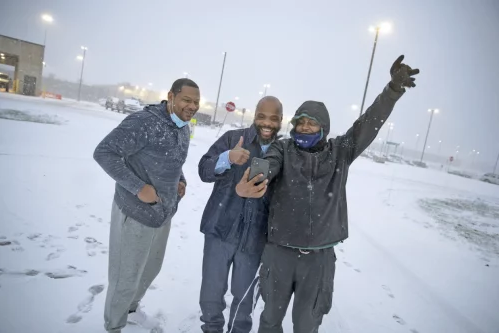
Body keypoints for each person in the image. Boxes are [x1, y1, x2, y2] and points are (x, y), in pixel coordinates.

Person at [236, 55, 420, 333]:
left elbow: (369, 123)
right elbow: (267, 165)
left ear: (323, 127)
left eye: (312, 123)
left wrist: (392, 90)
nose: (305, 127)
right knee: (270, 320)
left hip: (319, 259)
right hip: (279, 253)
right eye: (300, 122)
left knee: (307, 323)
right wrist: (256, 176)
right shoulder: (283, 149)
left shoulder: (340, 151)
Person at [93, 78, 200, 333]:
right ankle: (114, 326)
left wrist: (180, 180)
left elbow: (174, 160)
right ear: (171, 96)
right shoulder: (143, 122)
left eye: (196, 102)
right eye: (187, 99)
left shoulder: (184, 127)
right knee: (125, 277)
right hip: (135, 213)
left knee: (149, 270)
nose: (192, 106)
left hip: (162, 213)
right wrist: (139, 188)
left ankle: (130, 311)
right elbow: (104, 152)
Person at [198, 96, 283, 333]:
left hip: (255, 239)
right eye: (261, 116)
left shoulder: (283, 152)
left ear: (281, 121)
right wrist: (227, 158)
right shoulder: (233, 139)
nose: (267, 123)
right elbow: (203, 170)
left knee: (244, 300)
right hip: (220, 229)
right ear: (254, 115)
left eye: (273, 118)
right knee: (211, 294)